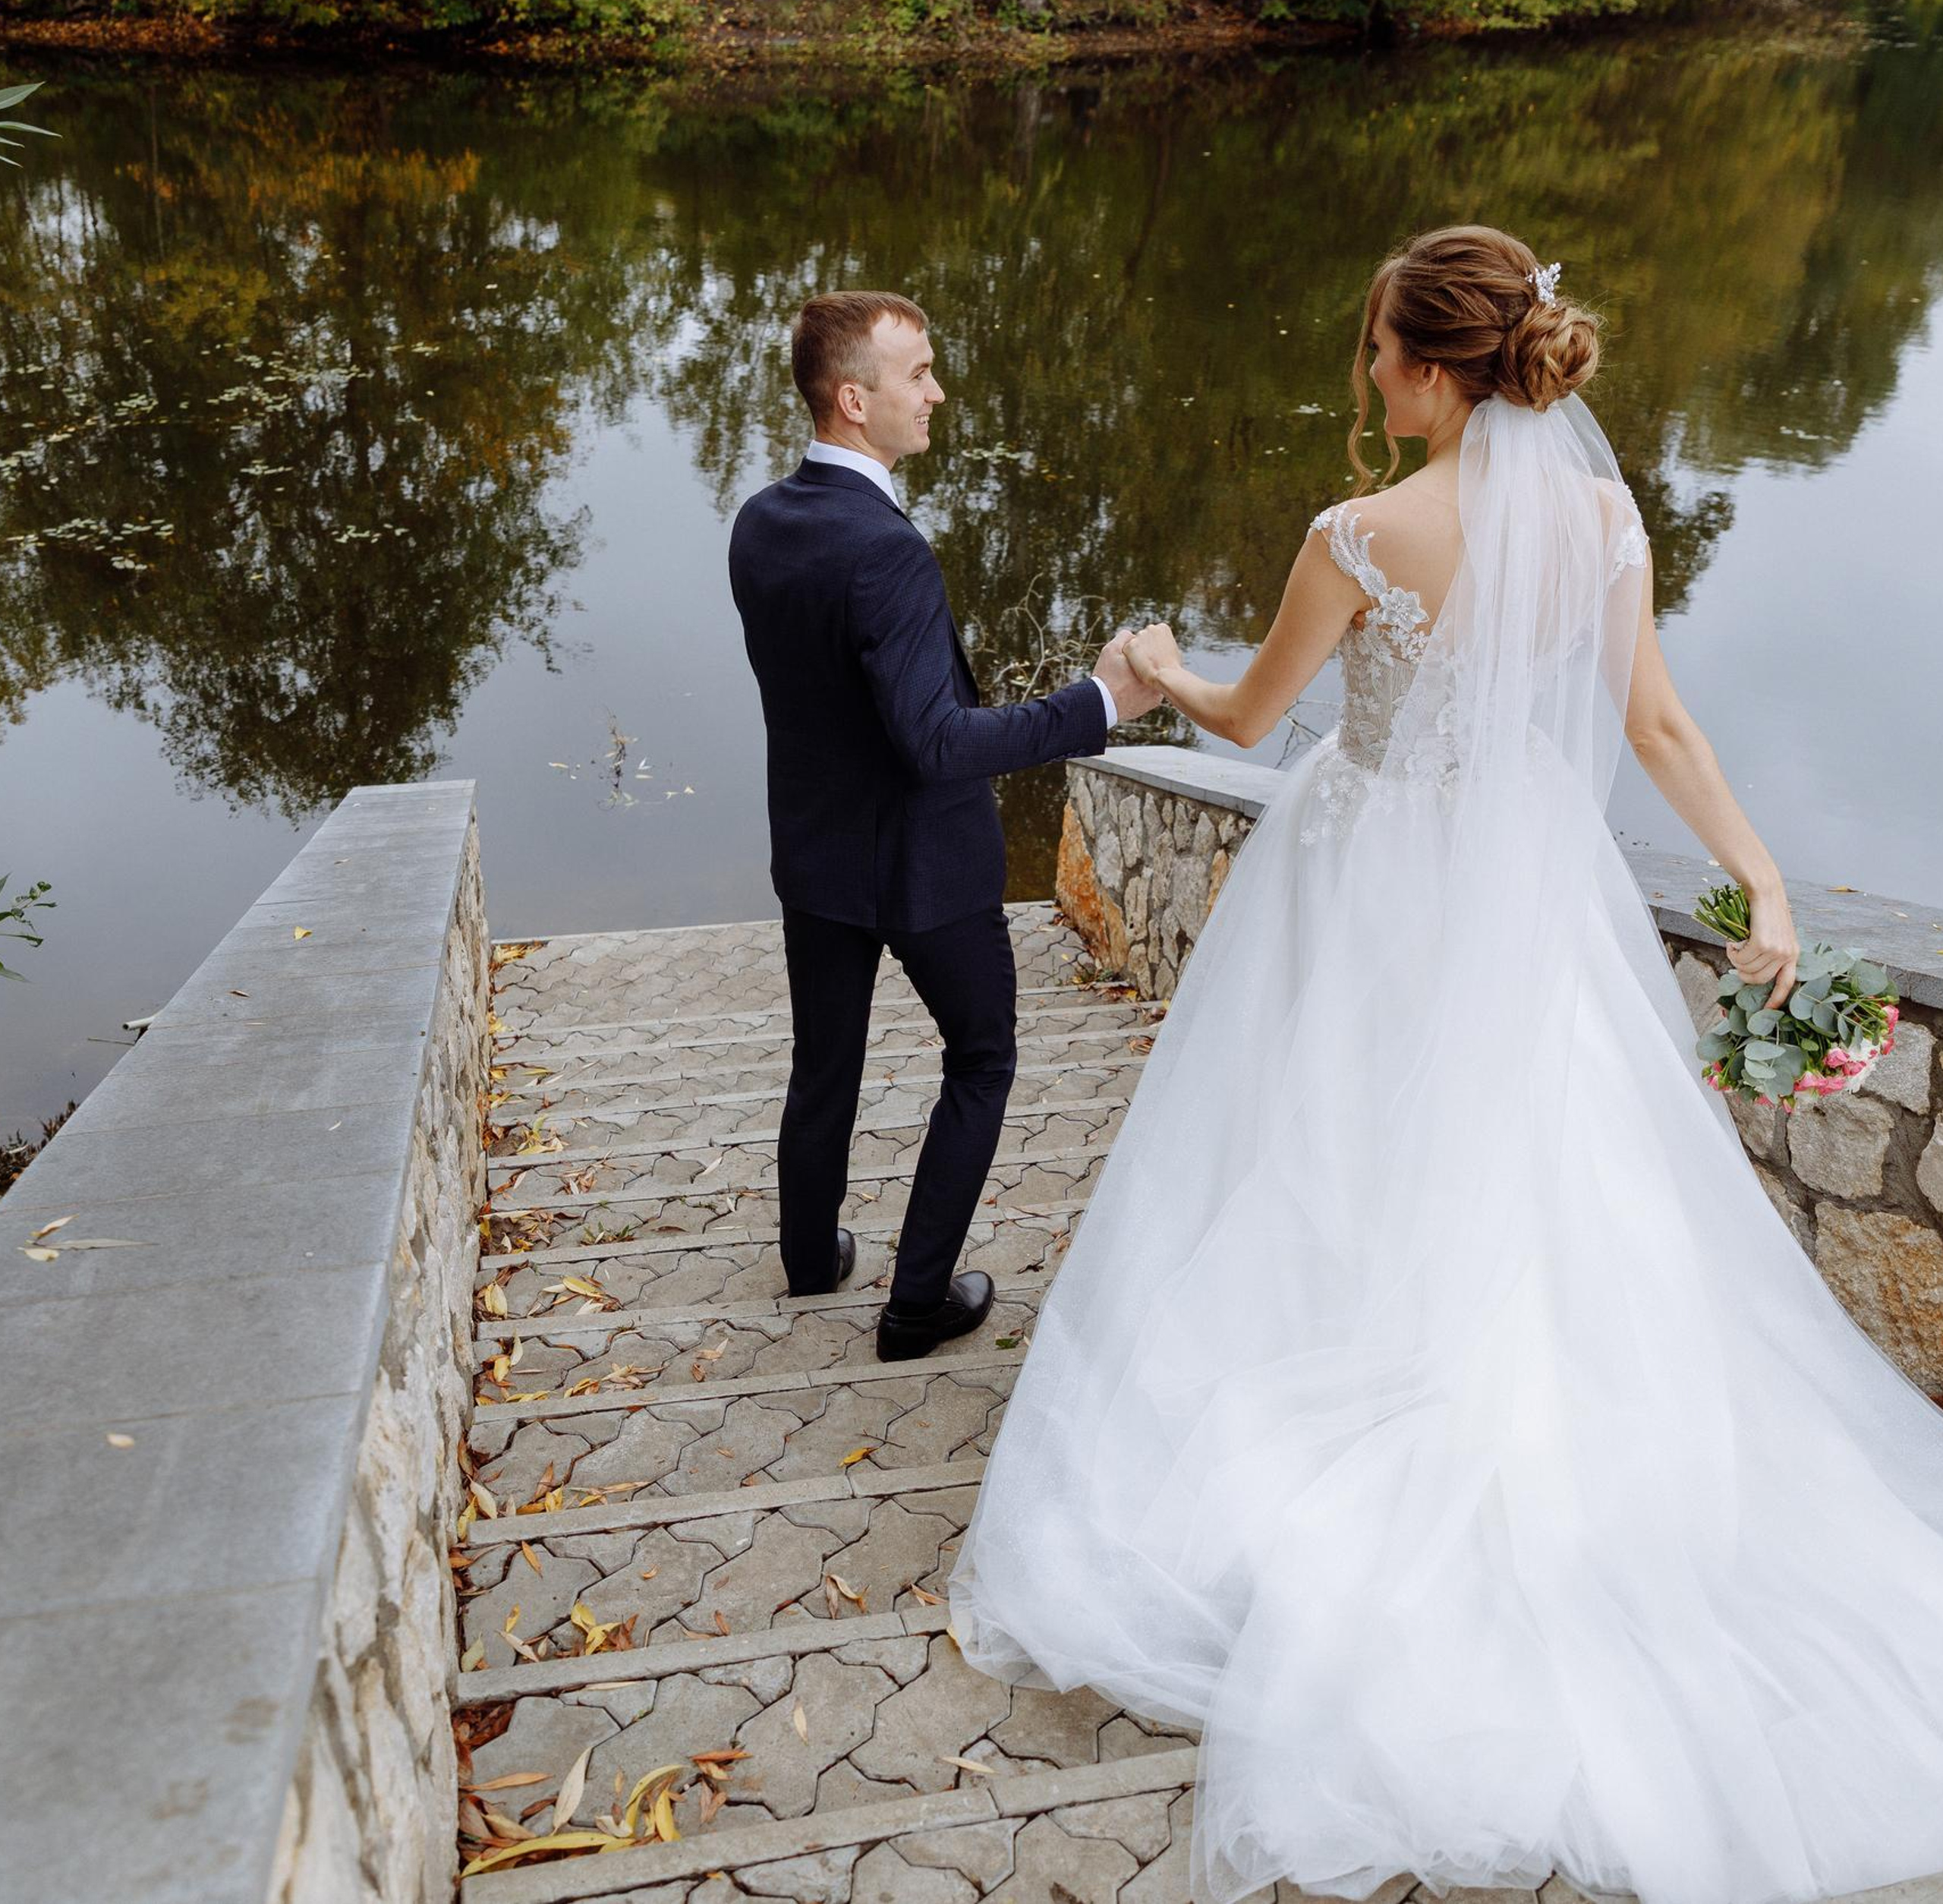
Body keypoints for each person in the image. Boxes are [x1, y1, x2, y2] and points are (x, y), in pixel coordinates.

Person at [946, 226, 1943, 1904]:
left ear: (1420, 362)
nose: (1365, 378)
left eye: (1371, 352)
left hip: (1367, 881)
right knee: (1546, 1167)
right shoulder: (1603, 517)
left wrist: (1144, 666)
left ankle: (1357, 1442)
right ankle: (1564, 1449)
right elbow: (1658, 728)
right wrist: (1762, 880)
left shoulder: (1360, 530)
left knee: (1327, 1150)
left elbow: (1249, 721)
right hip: (1534, 888)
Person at [728, 289, 1162, 1362]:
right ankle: (917, 1303)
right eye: (915, 374)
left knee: (823, 1060)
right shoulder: (888, 552)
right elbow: (933, 744)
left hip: (819, 855)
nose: (937, 391)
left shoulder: (761, 524)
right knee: (981, 1057)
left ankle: (808, 1256)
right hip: (926, 869)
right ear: (852, 399)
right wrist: (1098, 702)